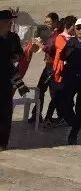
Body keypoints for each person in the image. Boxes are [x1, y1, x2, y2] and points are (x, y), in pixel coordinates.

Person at [0, 9, 29, 150]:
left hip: (7, 78)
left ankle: (2, 142)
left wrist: (15, 57)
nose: (10, 23)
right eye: (7, 20)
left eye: (10, 20)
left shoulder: (13, 37)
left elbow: (19, 54)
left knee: (6, 111)